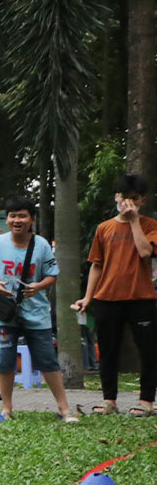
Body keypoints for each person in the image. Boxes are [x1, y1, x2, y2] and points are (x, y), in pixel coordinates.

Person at [0, 196, 77, 422]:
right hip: (6, 314)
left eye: (22, 216)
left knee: (48, 360)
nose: (17, 220)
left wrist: (38, 286)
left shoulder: (41, 245)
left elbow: (52, 275)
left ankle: (64, 409)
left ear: (32, 219)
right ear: (7, 219)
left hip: (37, 314)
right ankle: (7, 409)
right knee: (5, 361)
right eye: (13, 216)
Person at [73, 174, 157, 416]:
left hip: (141, 298)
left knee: (148, 351)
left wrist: (134, 221)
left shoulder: (150, 225)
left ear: (143, 200)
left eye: (135, 198)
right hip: (107, 298)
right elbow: (96, 265)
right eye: (124, 197)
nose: (129, 203)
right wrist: (87, 297)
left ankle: (146, 401)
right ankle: (109, 400)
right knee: (108, 351)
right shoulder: (104, 228)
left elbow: (145, 252)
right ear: (116, 197)